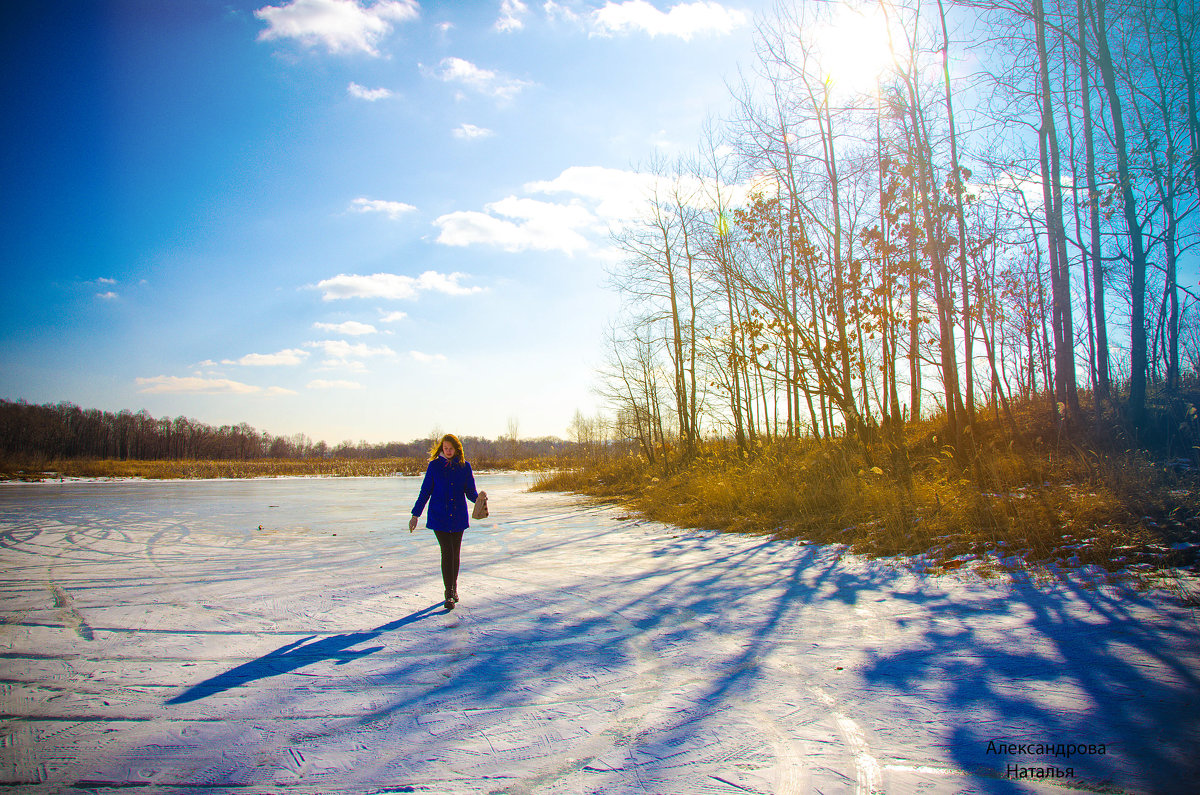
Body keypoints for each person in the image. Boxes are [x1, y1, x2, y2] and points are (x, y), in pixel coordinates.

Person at [409, 433, 486, 610]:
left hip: (458, 516)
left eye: (451, 448)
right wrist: (415, 515)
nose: (448, 451)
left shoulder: (464, 467)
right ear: (441, 449)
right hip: (439, 516)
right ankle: (449, 592)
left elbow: (470, 492)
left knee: (455, 552)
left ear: (456, 448)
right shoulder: (434, 466)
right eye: (445, 448)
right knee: (447, 550)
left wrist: (479, 499)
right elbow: (425, 492)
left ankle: (454, 588)